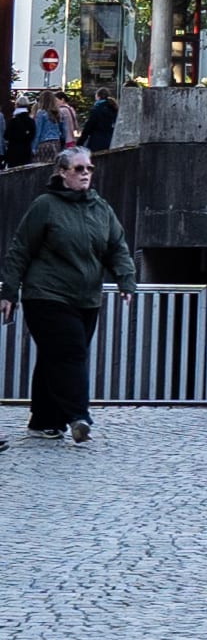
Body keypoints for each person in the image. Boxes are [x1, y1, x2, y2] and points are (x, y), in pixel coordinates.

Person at [1, 143, 137, 446]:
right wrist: (9, 291)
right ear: (62, 173)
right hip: (46, 294)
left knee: (56, 357)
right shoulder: (45, 206)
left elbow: (117, 247)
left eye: (89, 168)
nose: (86, 173)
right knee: (70, 352)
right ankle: (78, 416)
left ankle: (44, 421)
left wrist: (126, 281)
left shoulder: (101, 208)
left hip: (86, 296)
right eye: (79, 168)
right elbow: (20, 249)